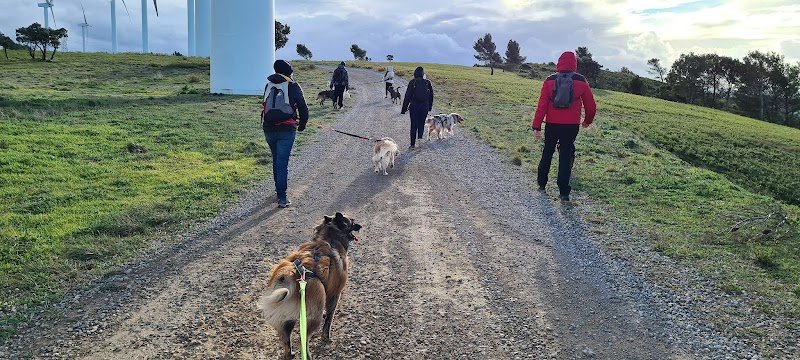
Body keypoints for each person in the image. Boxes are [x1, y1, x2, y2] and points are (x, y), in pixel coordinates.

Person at [531, 51, 596, 202]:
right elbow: (591, 105)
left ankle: (541, 183)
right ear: (574, 64)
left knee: (548, 151)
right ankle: (564, 192)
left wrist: (536, 126)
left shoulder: (549, 80)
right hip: (571, 125)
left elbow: (542, 105)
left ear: (559, 63)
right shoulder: (581, 80)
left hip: (552, 124)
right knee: (566, 155)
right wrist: (587, 121)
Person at [263, 60, 309, 208]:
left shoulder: (268, 85)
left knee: (276, 159)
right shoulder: (293, 86)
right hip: (287, 130)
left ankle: (278, 191)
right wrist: (302, 125)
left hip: (269, 128)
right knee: (282, 163)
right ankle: (282, 198)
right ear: (289, 71)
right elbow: (304, 109)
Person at [401, 66, 434, 149]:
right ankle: (420, 141)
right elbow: (431, 96)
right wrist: (429, 107)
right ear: (423, 74)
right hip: (424, 106)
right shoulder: (428, 82)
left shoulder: (412, 82)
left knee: (414, 125)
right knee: (421, 124)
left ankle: (412, 144)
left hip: (414, 106)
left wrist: (404, 109)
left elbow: (407, 96)